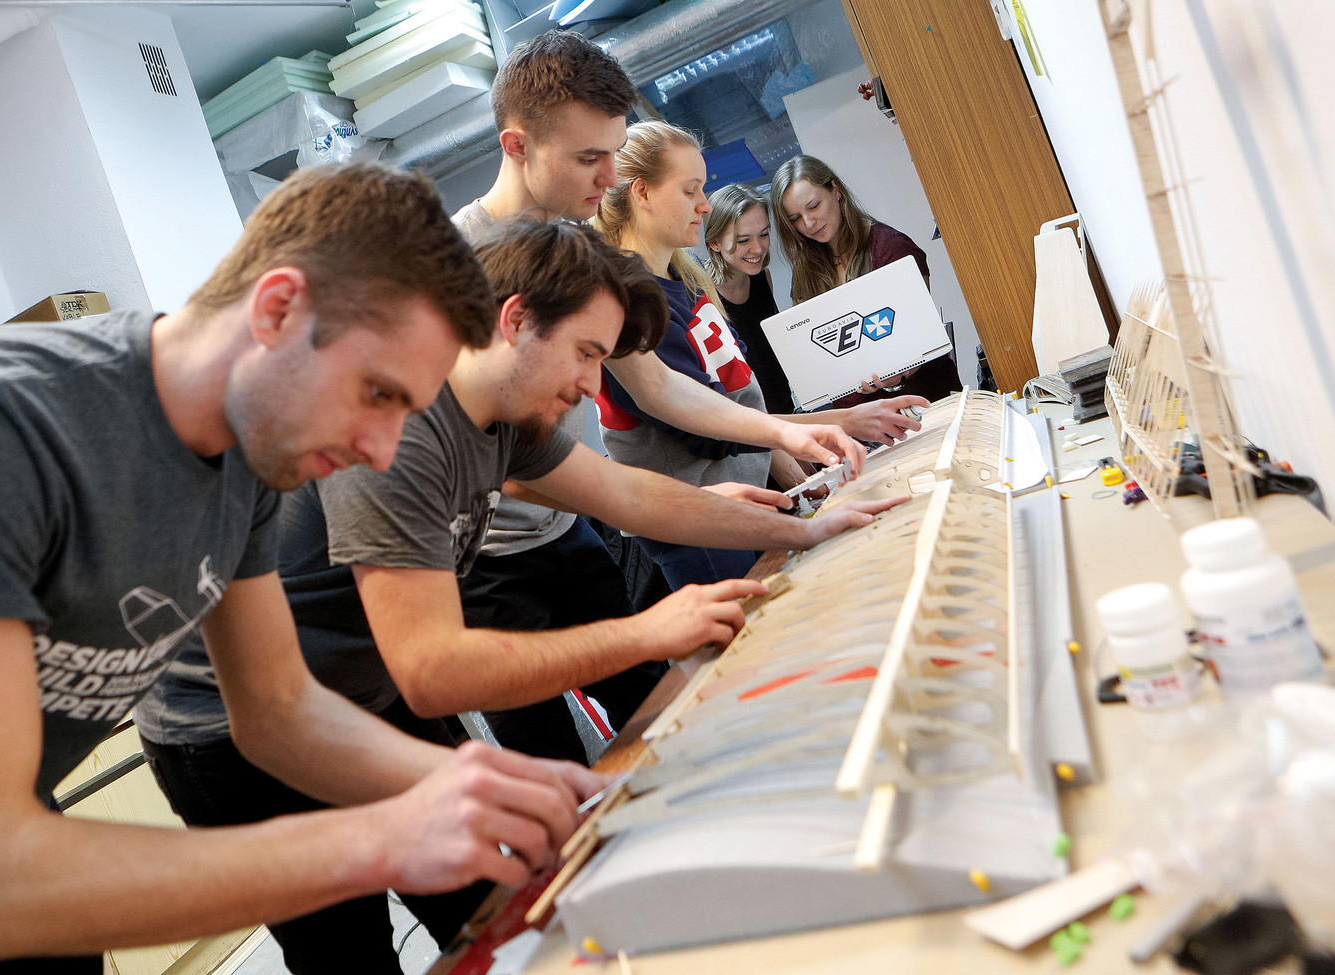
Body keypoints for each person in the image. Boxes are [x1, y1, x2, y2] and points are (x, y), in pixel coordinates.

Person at [0, 162, 608, 973]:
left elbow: (278, 708)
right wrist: (376, 840)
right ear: (277, 310)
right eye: (377, 393)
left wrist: (486, 783)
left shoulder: (248, 459)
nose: (382, 450)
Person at [136, 218, 905, 975]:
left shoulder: (506, 415)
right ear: (514, 321)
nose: (593, 384)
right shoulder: (404, 430)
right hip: (230, 726)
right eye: (586, 353)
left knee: (488, 901)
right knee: (349, 951)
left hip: (361, 688)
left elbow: (628, 494)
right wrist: (647, 632)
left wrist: (805, 528)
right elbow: (434, 670)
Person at [452, 31, 920, 760]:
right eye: (590, 157)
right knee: (548, 757)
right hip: (489, 555)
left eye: (616, 153)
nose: (611, 176)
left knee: (660, 719)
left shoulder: (579, 249)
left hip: (569, 525)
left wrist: (782, 444)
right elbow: (540, 471)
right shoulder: (459, 267)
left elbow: (656, 393)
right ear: (517, 146)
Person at [591, 121, 928, 589]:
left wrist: (842, 420)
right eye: (690, 190)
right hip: (700, 524)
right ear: (642, 193)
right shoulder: (628, 300)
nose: (704, 205)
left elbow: (737, 407)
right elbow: (709, 428)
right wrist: (830, 425)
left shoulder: (683, 280)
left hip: (740, 504)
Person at [770, 154, 963, 405]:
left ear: (836, 190)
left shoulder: (891, 247)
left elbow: (920, 337)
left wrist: (899, 374)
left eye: (814, 206)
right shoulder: (805, 270)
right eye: (795, 218)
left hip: (925, 403)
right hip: (857, 416)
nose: (808, 222)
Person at [704, 183, 791, 414]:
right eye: (743, 240)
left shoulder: (763, 277)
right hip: (747, 423)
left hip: (784, 410)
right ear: (715, 243)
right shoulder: (702, 297)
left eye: (764, 234)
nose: (758, 248)